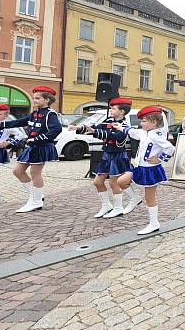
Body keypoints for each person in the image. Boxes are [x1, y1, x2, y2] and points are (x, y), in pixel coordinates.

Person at [0, 86, 61, 213]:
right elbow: (17, 122)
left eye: (37, 98)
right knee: (17, 171)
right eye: (34, 98)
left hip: (41, 146)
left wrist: (37, 139)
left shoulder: (50, 114)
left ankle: (35, 201)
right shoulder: (34, 114)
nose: (34, 100)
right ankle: (37, 196)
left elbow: (56, 129)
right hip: (32, 147)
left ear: (46, 100)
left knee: (35, 173)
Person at [113, 106, 175, 235]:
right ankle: (134, 198)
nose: (141, 123)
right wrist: (120, 127)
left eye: (144, 121)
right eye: (141, 121)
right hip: (138, 167)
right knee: (121, 181)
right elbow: (132, 132)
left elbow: (170, 148)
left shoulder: (156, 135)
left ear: (154, 123)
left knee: (149, 197)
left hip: (150, 170)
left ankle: (154, 223)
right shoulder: (143, 132)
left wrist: (160, 159)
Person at [69, 97, 133, 218]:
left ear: (122, 111)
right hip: (107, 155)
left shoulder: (124, 124)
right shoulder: (108, 121)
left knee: (114, 183)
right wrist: (79, 128)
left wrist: (95, 132)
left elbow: (115, 136)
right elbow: (95, 128)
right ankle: (106, 205)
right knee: (97, 182)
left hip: (117, 156)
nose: (111, 110)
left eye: (114, 108)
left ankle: (118, 208)